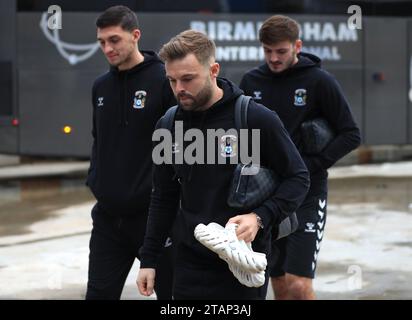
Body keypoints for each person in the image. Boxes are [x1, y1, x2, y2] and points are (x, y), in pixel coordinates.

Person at [136, 30, 310, 300]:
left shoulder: (255, 118)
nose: (179, 88)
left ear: (213, 70)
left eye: (188, 78)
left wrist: (260, 217)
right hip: (188, 263)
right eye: (172, 80)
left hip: (243, 262)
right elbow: (163, 197)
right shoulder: (168, 125)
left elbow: (298, 178)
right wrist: (148, 259)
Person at [239, 15, 361, 300]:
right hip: (268, 196)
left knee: (298, 284)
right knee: (278, 282)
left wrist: (308, 165)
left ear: (297, 46)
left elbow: (350, 134)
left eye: (281, 51)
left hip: (307, 193)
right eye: (267, 51)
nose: (274, 58)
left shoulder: (319, 81)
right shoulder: (251, 80)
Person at [85, 5, 176, 300]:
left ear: (135, 35)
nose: (107, 48)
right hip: (108, 219)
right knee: (98, 295)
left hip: (152, 218)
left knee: (174, 298)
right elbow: (99, 141)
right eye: (102, 42)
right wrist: (95, 180)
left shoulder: (163, 81)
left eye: (114, 40)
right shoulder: (100, 87)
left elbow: (180, 146)